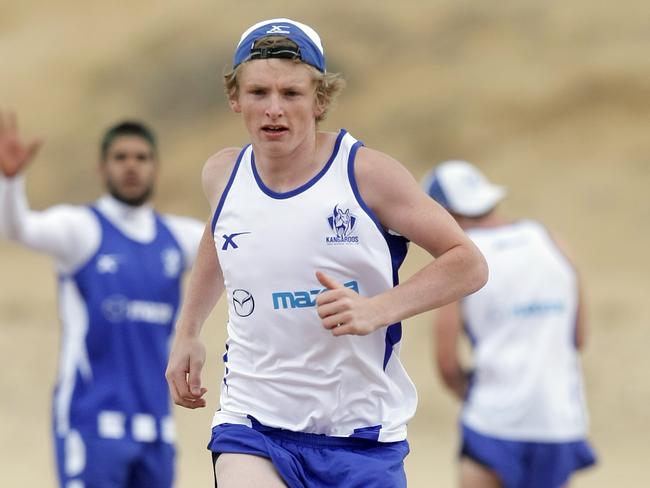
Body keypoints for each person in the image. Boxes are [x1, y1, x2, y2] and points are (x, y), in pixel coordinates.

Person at [164, 18, 489, 488]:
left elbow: (468, 262)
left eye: (291, 94)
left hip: (361, 436)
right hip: (253, 424)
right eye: (259, 93)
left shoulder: (367, 175)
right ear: (235, 98)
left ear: (319, 100)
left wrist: (378, 309)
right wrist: (189, 330)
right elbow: (221, 236)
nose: (274, 110)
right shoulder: (223, 174)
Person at [0, 112, 204, 487]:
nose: (131, 167)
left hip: (156, 430)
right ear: (102, 168)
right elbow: (18, 229)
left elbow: (239, 250)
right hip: (91, 425)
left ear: (155, 168)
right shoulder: (82, 230)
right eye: (121, 157)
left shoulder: (178, 238)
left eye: (141, 158)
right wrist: (10, 182)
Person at [422, 160, 597, 488]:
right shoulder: (550, 240)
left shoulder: (460, 261)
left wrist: (471, 392)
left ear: (443, 213)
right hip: (558, 421)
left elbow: (446, 363)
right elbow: (579, 336)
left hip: (494, 422)